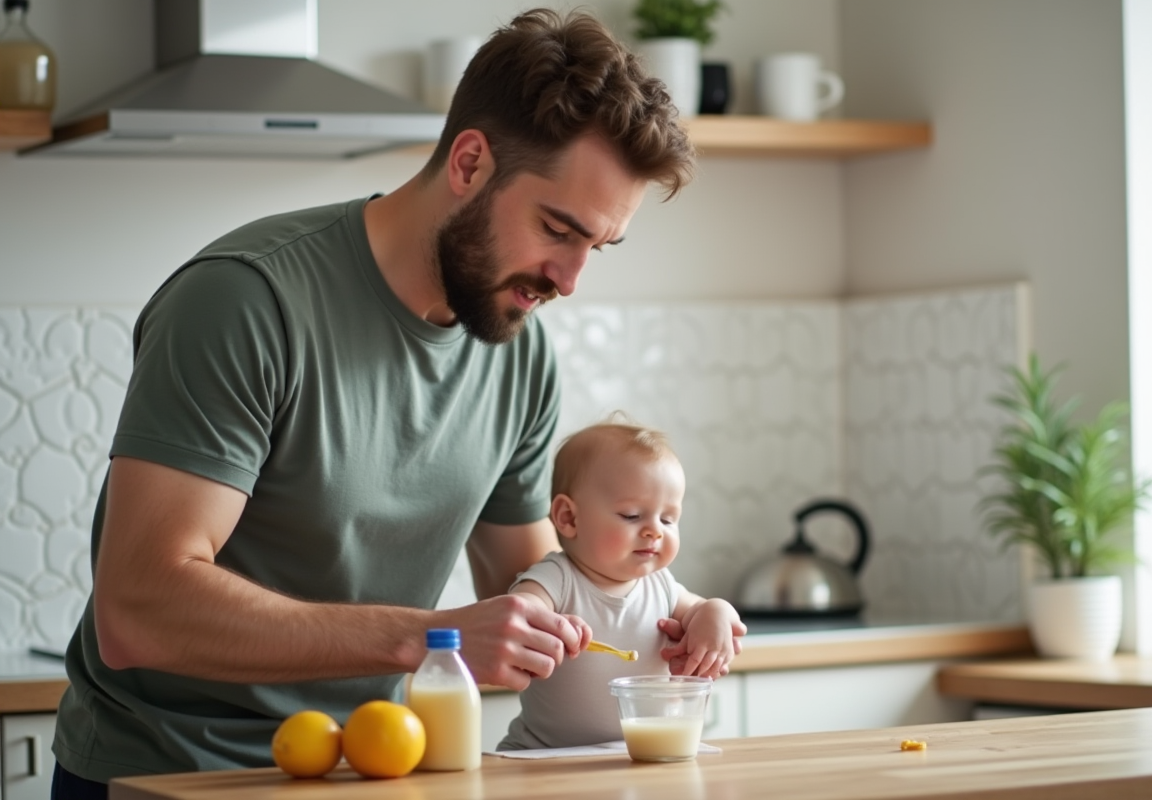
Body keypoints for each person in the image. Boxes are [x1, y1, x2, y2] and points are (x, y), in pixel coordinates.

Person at [50, 8, 706, 797]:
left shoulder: (517, 350)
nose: (569, 281)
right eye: (556, 230)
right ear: (469, 163)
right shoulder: (244, 302)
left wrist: (675, 614)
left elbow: (536, 590)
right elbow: (137, 612)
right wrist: (423, 636)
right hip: (173, 776)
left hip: (380, 767)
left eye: (594, 247)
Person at [497, 419, 742, 750]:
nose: (655, 530)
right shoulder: (557, 578)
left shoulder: (661, 585)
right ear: (569, 518)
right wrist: (545, 624)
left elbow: (700, 610)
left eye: (668, 519)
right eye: (632, 515)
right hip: (544, 755)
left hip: (639, 754)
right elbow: (520, 612)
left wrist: (716, 612)